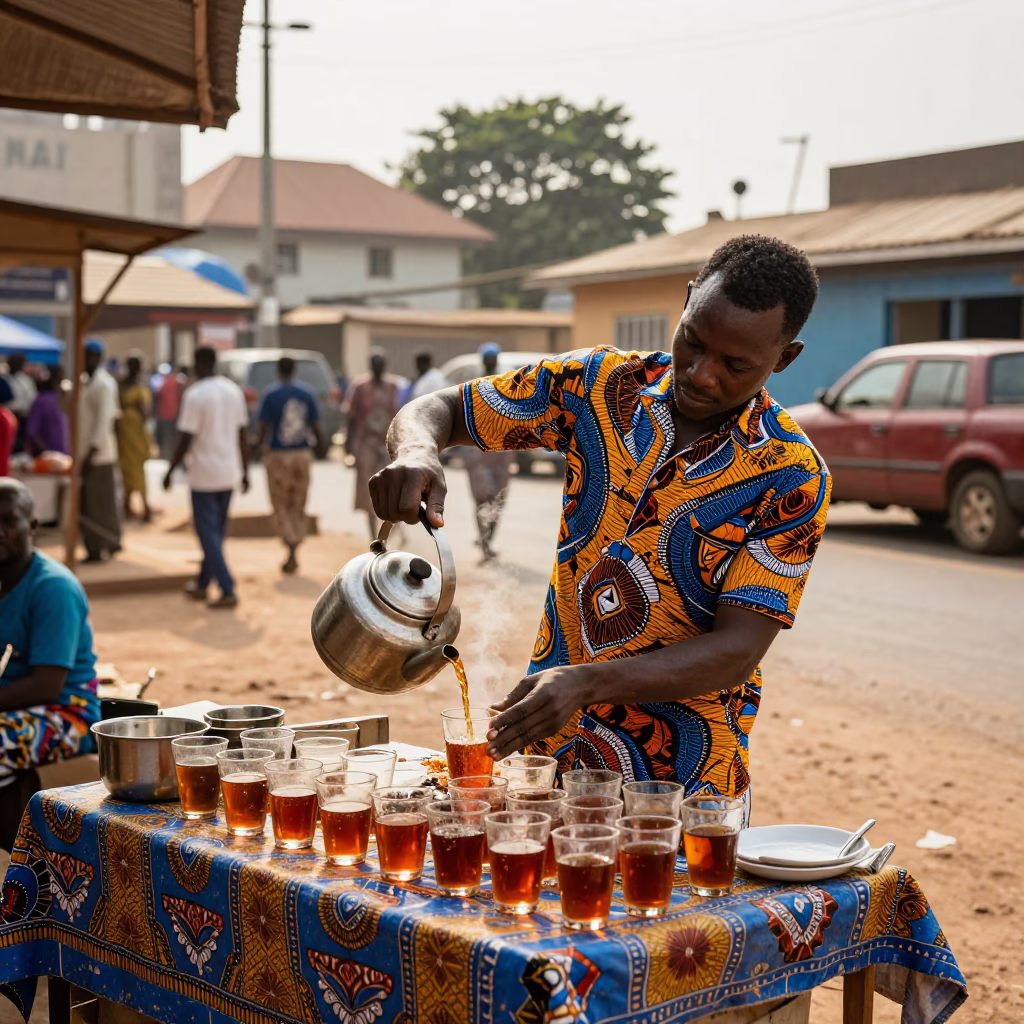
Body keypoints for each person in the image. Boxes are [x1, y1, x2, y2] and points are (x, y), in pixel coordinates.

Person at [370, 235, 831, 813]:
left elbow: (737, 650)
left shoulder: (791, 474)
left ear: (784, 357)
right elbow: (440, 411)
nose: (703, 375)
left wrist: (588, 681)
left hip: (684, 789)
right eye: (692, 341)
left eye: (736, 365)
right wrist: (417, 450)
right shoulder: (601, 387)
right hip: (551, 763)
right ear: (687, 301)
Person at [0, 479, 100, 791]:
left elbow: (47, 685)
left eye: (8, 521)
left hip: (67, 712)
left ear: (32, 526)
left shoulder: (53, 588)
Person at [162, 346, 249, 609]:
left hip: (204, 474)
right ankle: (202, 583)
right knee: (216, 533)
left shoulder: (195, 394)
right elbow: (243, 435)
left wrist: (170, 469)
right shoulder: (233, 391)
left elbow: (185, 438)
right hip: (228, 471)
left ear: (199, 363)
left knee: (207, 534)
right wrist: (245, 471)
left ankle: (226, 586)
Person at [257, 356, 323, 574]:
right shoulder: (306, 393)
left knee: (280, 502)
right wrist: (321, 448)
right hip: (302, 454)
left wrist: (257, 448)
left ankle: (290, 543)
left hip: (278, 455)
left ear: (278, 370)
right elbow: (316, 425)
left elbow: (263, 428)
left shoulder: (271, 395)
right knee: (298, 501)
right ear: (294, 370)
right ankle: (295, 543)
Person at [461, 343, 514, 563]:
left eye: (493, 358)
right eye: (487, 358)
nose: (490, 362)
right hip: (478, 457)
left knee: (498, 502)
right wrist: (471, 458)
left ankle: (488, 542)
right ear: (483, 360)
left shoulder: (506, 389)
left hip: (501, 455)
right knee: (483, 502)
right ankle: (484, 546)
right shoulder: (473, 389)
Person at [344, 350, 402, 540]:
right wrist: (348, 446)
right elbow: (350, 418)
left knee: (390, 490)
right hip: (366, 445)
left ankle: (387, 533)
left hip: (386, 445)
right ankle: (373, 537)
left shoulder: (393, 386)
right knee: (369, 490)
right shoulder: (360, 387)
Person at [78, 339, 121, 563]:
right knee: (90, 503)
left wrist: (91, 453)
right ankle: (97, 545)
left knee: (99, 503)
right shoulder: (85, 382)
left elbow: (104, 422)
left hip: (98, 455)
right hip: (86, 453)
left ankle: (104, 544)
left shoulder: (104, 384)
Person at [117, 354, 153, 522]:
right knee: (130, 469)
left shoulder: (124, 385)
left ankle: (132, 504)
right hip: (129, 431)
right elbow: (145, 411)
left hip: (132, 432)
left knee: (133, 468)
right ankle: (134, 505)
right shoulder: (134, 386)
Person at [24, 366, 69, 456]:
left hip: (57, 458)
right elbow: (32, 432)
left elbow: (32, 432)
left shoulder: (59, 400)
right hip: (53, 458)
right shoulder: (44, 401)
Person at [4, 353, 36, 452]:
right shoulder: (5, 380)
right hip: (8, 416)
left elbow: (32, 399)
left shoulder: (25, 380)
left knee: (18, 445)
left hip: (22, 417)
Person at [154, 363, 182, 461]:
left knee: (171, 437)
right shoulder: (161, 382)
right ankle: (167, 455)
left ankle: (170, 455)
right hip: (165, 415)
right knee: (167, 437)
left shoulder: (175, 382)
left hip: (171, 415)